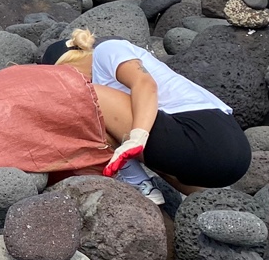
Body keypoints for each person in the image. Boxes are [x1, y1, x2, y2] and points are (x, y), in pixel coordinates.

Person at [41, 29, 251, 200]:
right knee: (112, 124)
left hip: (203, 132)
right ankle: (199, 198)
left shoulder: (107, 50)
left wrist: (137, 138)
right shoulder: (104, 89)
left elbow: (144, 83)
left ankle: (135, 181)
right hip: (227, 157)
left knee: (84, 99)